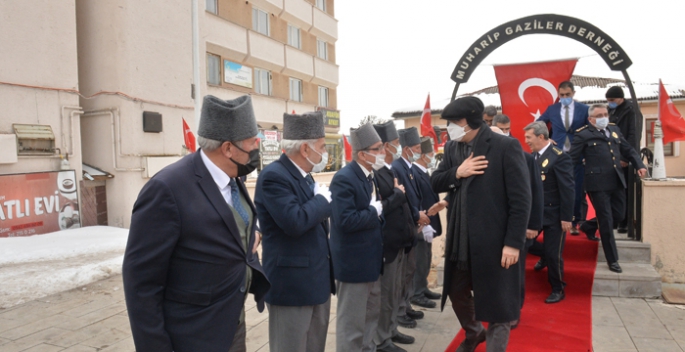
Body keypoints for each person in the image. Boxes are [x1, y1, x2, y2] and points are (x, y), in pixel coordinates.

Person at [122, 95, 270, 352]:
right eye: (251, 141)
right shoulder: (167, 189)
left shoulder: (233, 177)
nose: (257, 146)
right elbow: (141, 285)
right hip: (193, 336)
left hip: (231, 325)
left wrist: (250, 237)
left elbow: (231, 227)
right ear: (227, 148)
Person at [431, 96, 531, 352]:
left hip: (495, 242)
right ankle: (475, 332)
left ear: (473, 122)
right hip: (461, 239)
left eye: (455, 122)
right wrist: (457, 172)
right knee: (455, 291)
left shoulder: (505, 146)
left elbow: (521, 200)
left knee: (500, 308)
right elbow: (436, 181)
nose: (450, 127)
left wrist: (512, 243)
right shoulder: (453, 148)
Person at [254, 111, 334, 352]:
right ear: (305, 150)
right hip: (292, 289)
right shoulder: (274, 177)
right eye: (322, 146)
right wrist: (322, 201)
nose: (325, 152)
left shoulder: (305, 176)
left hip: (315, 283)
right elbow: (295, 221)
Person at [569, 104, 648, 273]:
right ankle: (613, 259)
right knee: (606, 221)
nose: (604, 117)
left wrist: (639, 165)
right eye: (599, 115)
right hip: (597, 184)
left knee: (618, 214)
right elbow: (572, 159)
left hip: (616, 180)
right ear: (590, 119)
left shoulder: (614, 130)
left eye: (605, 114)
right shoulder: (583, 134)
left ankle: (588, 226)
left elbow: (628, 149)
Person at [329, 122, 385, 352]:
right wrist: (375, 211)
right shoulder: (345, 178)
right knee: (351, 326)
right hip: (354, 265)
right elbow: (345, 220)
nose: (383, 153)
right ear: (362, 154)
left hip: (371, 262)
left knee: (370, 319)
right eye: (378, 149)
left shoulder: (370, 175)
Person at [372, 121, 416, 352]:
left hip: (400, 242)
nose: (399, 148)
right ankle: (381, 339)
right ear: (386, 146)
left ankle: (390, 331)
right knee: (386, 296)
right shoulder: (375, 175)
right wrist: (398, 195)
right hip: (386, 246)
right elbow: (381, 208)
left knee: (394, 292)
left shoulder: (389, 171)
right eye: (397, 144)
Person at [524, 122, 575, 304]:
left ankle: (558, 288)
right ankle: (543, 254)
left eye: (529, 137)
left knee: (554, 255)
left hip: (554, 215)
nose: (526, 141)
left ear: (541, 136)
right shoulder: (531, 157)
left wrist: (567, 217)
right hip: (535, 214)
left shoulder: (559, 157)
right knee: (525, 243)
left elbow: (567, 189)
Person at [537, 81, 589, 236]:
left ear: (573, 93)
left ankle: (574, 221)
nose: (564, 97)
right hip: (557, 155)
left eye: (567, 94)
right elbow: (539, 123)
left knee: (576, 189)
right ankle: (555, 220)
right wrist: (547, 139)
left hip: (576, 155)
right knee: (556, 188)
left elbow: (589, 130)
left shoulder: (584, 109)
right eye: (562, 95)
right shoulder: (552, 109)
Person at [393, 127, 433, 325]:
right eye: (417, 148)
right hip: (406, 227)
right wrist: (417, 215)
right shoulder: (397, 167)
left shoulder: (408, 167)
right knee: (402, 274)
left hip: (414, 225)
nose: (419, 151)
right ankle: (400, 312)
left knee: (409, 271)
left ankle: (406, 306)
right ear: (407, 148)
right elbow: (402, 200)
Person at [410, 137, 443, 309]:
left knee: (426, 258)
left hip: (429, 222)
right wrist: (423, 222)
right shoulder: (414, 172)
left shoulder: (424, 171)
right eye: (431, 153)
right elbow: (416, 199)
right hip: (421, 224)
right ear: (423, 155)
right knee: (420, 260)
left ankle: (423, 288)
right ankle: (417, 293)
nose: (433, 156)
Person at [606, 86, 638, 234]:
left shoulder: (631, 111)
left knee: (624, 192)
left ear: (620, 98)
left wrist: (626, 157)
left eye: (612, 100)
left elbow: (633, 135)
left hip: (623, 157)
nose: (610, 103)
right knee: (612, 190)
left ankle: (624, 222)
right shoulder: (611, 110)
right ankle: (614, 220)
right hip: (611, 156)